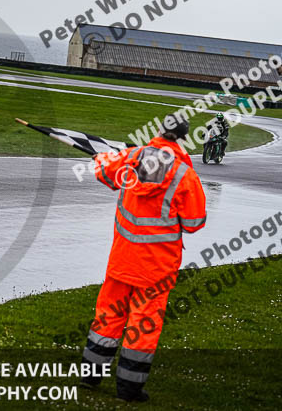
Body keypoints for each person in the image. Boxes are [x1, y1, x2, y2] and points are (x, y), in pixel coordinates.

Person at [80, 113, 207, 402]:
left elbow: (102, 171)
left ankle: (90, 376)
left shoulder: (132, 156)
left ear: (160, 132)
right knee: (143, 325)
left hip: (122, 260)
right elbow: (194, 223)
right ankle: (129, 388)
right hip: (157, 269)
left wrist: (100, 158)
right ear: (184, 138)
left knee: (108, 317)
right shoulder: (184, 175)